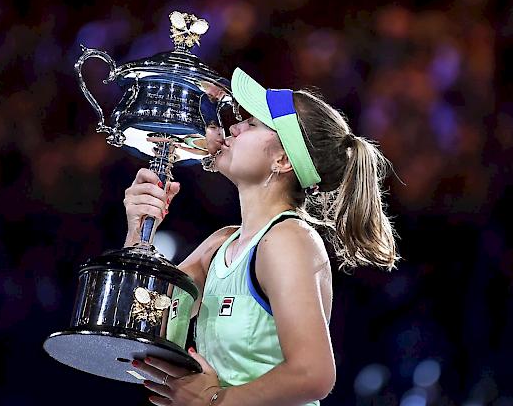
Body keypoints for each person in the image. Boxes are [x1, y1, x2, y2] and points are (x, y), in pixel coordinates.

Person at [122, 68, 400, 406]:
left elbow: (313, 374)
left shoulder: (289, 241)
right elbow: (139, 325)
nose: (233, 127)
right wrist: (138, 231)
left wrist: (213, 401)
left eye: (251, 124)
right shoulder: (220, 244)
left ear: (282, 159)